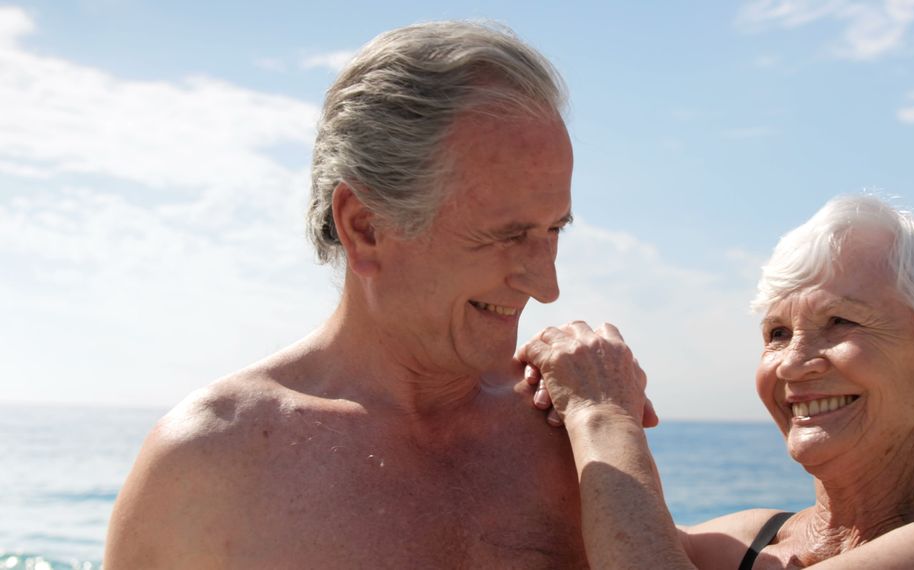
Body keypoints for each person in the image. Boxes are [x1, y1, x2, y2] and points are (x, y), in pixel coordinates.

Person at [105, 21, 605, 568]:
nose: (547, 286)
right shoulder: (207, 466)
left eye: (554, 229)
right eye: (507, 235)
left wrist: (610, 424)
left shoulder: (573, 426)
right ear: (365, 227)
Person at [519, 195, 914, 569]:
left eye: (841, 322)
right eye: (777, 333)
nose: (790, 364)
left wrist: (604, 414)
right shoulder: (739, 543)